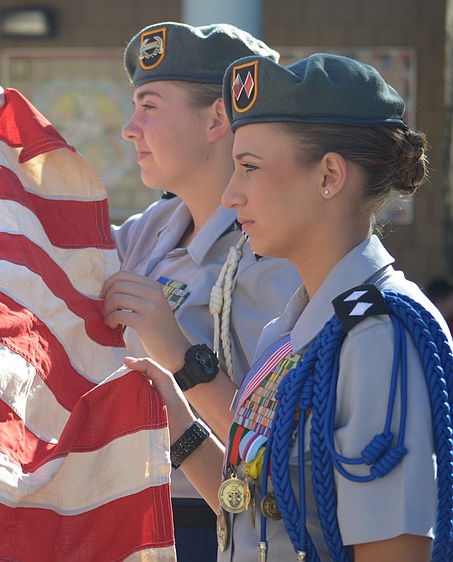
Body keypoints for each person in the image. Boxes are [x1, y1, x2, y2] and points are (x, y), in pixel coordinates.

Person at [0, 22, 301, 561]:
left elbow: (272, 438)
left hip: (213, 521)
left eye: (149, 105)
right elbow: (50, 263)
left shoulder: (274, 254)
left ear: (218, 118)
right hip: (127, 512)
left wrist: (179, 355)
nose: (129, 128)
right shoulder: (157, 227)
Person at [123, 52, 453, 561]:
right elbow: (263, 520)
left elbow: (394, 552)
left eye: (248, 168)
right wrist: (180, 425)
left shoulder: (379, 336)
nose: (231, 195)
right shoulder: (297, 323)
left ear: (329, 176)